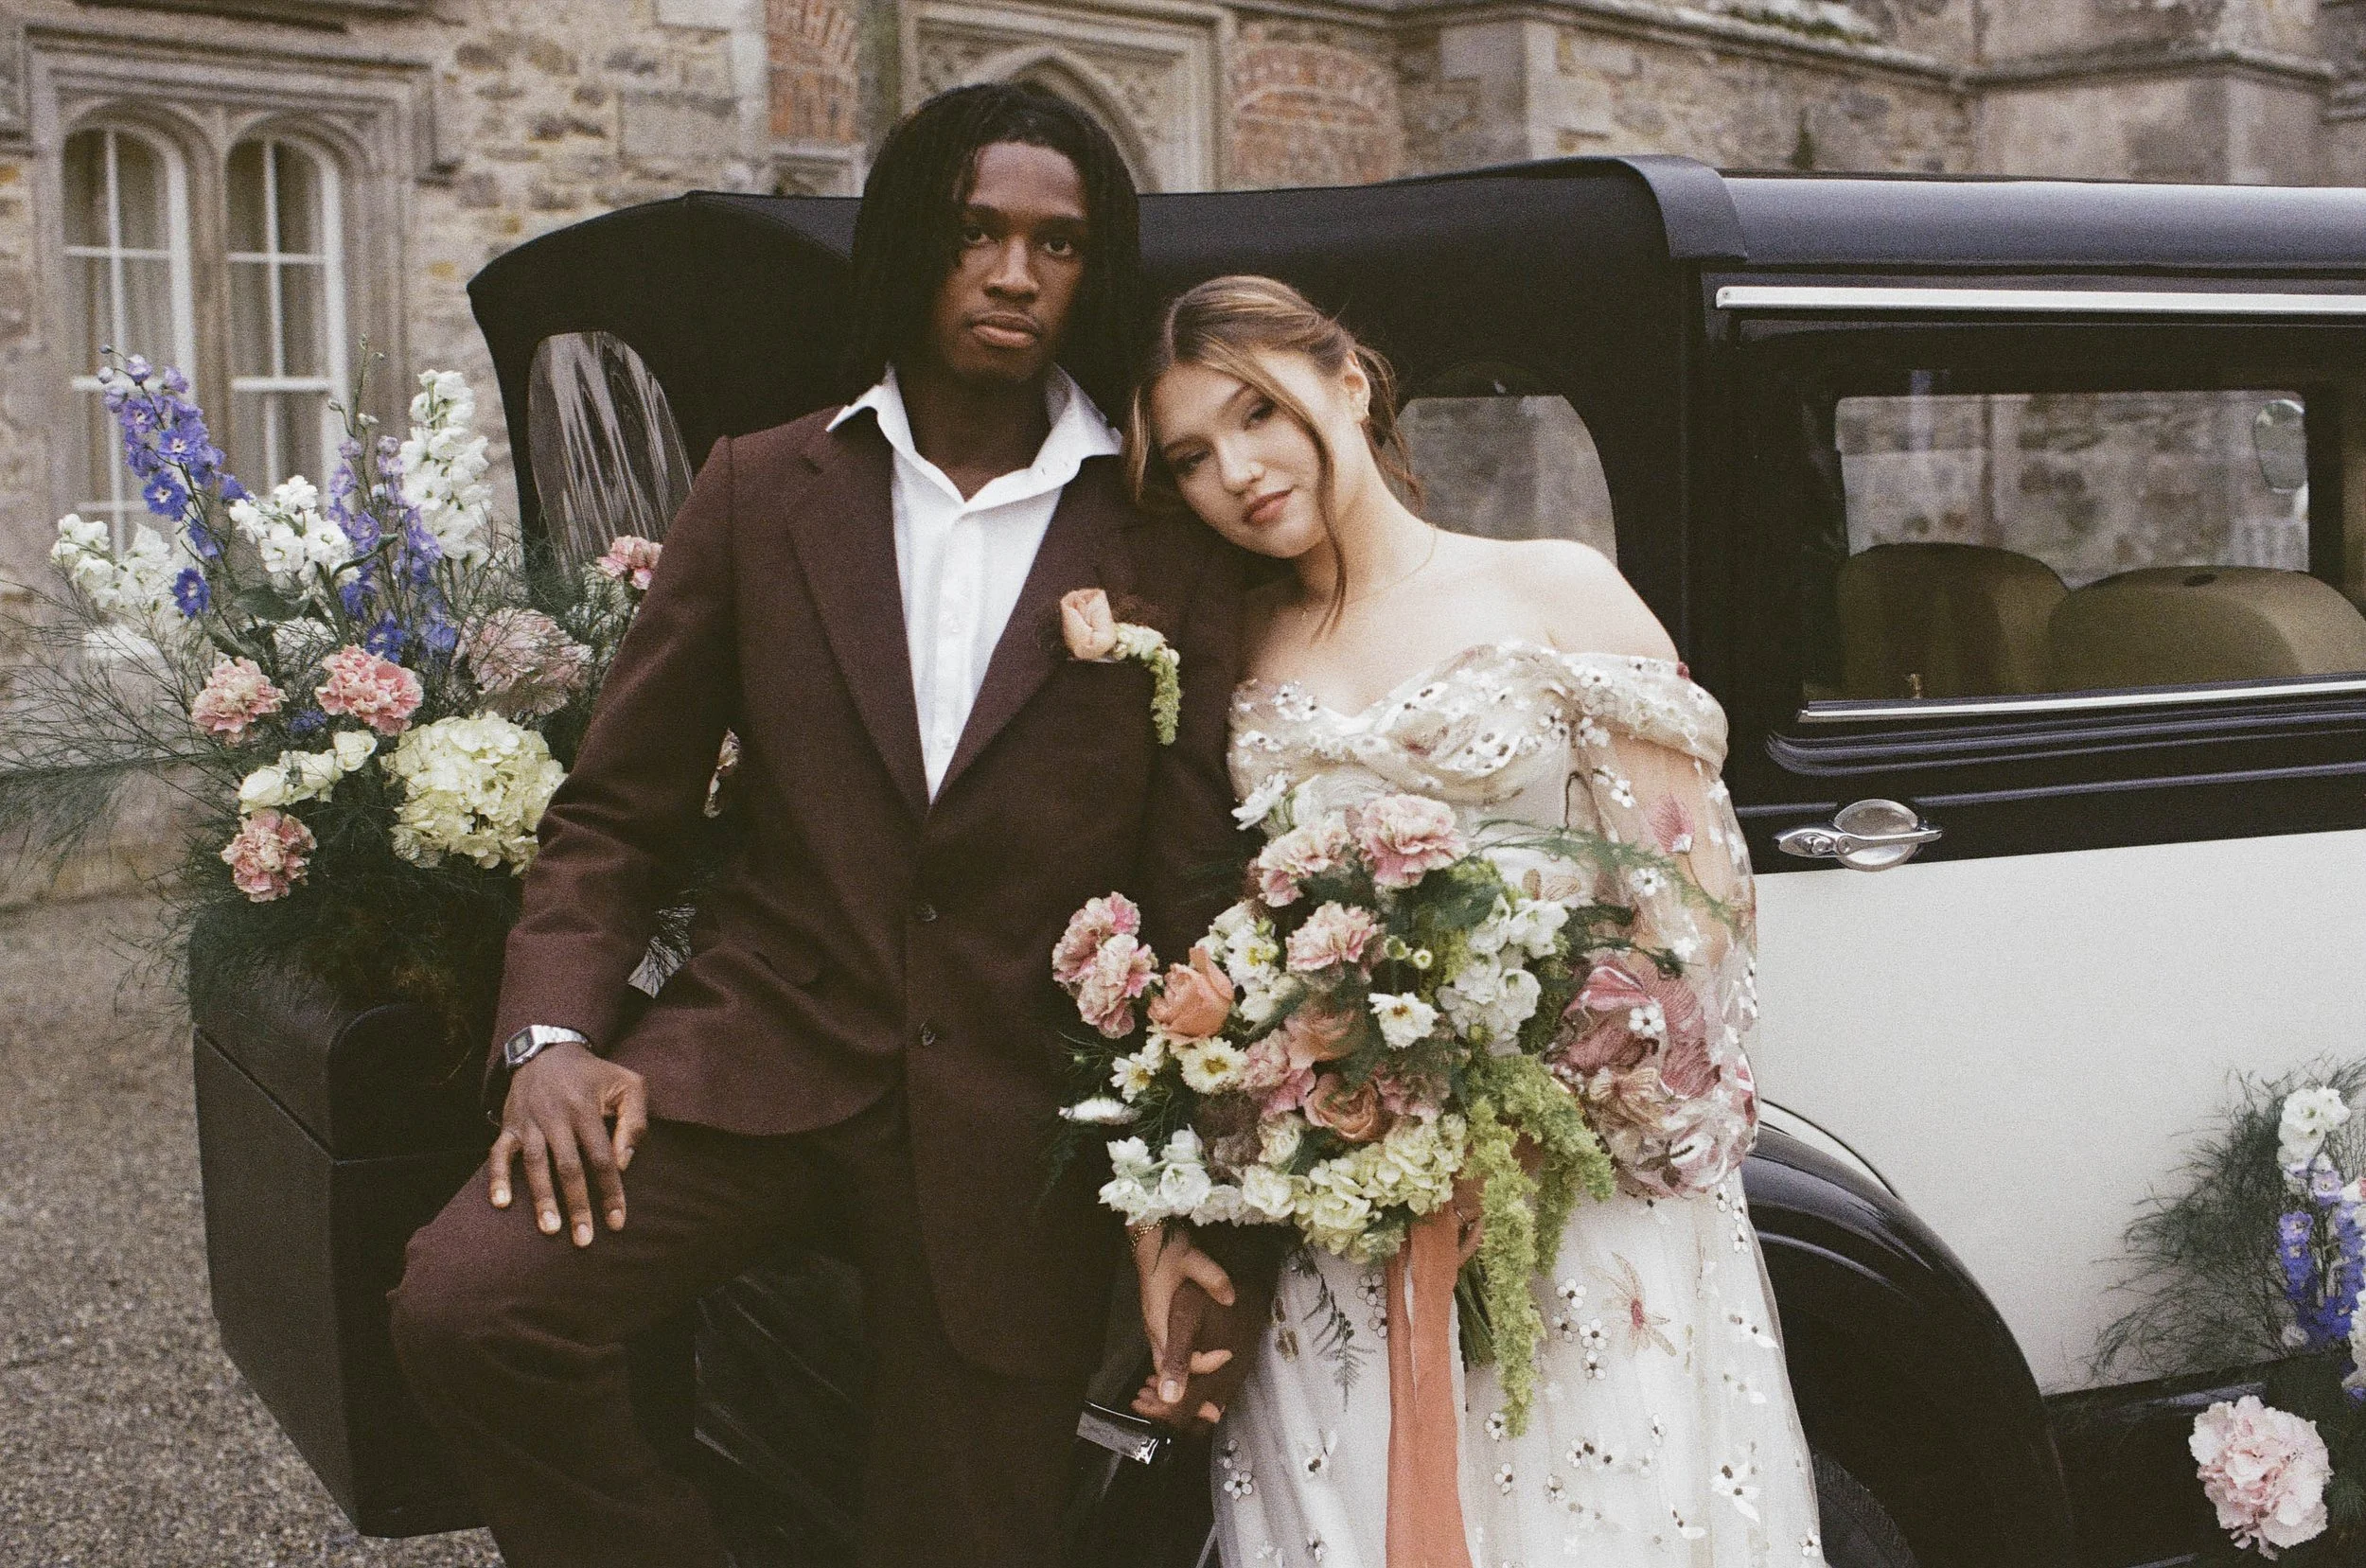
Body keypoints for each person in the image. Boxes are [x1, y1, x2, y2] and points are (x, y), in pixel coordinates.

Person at [386, 85, 1261, 1568]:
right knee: (471, 1306)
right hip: (760, 1051)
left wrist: (1193, 1196)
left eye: (1055, 244)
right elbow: (616, 814)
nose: (1012, 274)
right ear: (913, 242)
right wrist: (550, 1041)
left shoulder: (1165, 532)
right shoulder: (760, 487)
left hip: (1023, 1122)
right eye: (975, 232)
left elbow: (1195, 890)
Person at [1120, 275, 1827, 1567]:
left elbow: (1697, 904)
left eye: (1259, 412)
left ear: (1350, 382)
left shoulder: (1551, 586)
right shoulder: (1231, 651)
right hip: (1343, 1225)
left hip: (1573, 1198)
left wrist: (1520, 1083)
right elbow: (1214, 925)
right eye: (1192, 457)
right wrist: (1310, 1085)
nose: (1238, 471)